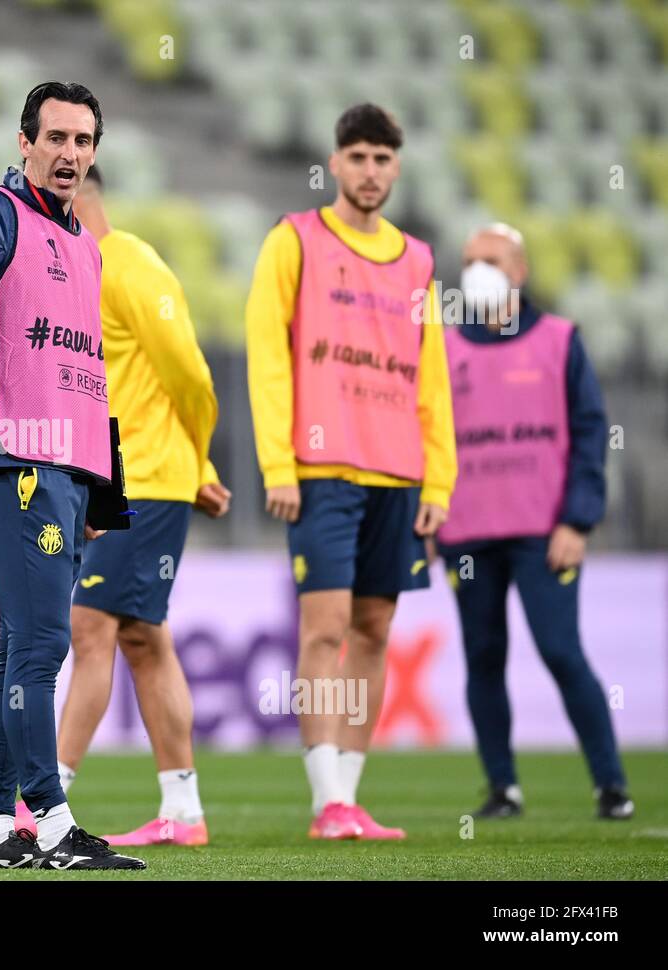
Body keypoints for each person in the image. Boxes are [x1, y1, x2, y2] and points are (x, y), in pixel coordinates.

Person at [0, 81, 145, 870]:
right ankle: (49, 822)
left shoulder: (85, 245)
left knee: (21, 648)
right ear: (24, 143)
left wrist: (97, 487)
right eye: (56, 138)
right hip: (13, 454)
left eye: (84, 141)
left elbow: (85, 369)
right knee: (45, 644)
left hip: (66, 467)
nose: (70, 154)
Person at [245, 103, 456, 840]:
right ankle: (324, 797)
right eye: (358, 157)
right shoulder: (295, 239)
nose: (370, 171)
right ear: (334, 164)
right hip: (320, 466)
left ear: (397, 167)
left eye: (382, 159)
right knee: (325, 627)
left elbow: (432, 376)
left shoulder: (419, 261)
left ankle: (351, 796)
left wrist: (439, 480)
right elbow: (268, 356)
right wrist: (278, 462)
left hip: (397, 471)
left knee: (374, 628)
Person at [40, 164, 230, 847]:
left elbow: (191, 373)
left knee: (90, 629)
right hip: (107, 478)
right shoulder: (71, 275)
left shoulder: (130, 264)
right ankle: (182, 810)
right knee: (143, 639)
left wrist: (197, 460)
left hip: (144, 478)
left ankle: (47, 803)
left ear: (79, 193)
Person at [438, 223, 633, 821]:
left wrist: (578, 520)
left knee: (560, 650)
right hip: (467, 531)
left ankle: (612, 786)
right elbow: (428, 436)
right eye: (470, 261)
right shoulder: (442, 347)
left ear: (519, 271)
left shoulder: (559, 340)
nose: (478, 270)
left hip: (543, 531)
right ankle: (503, 788)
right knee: (483, 655)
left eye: (491, 260)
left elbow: (590, 433)